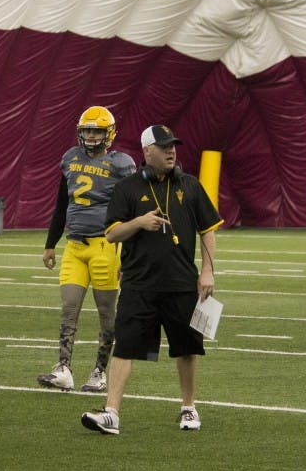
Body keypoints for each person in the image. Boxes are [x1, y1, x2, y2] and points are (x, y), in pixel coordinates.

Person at [81, 125, 222, 435]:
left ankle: (188, 407)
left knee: (187, 347)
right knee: (124, 347)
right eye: (164, 146)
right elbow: (112, 232)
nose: (171, 151)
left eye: (173, 145)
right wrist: (140, 222)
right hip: (137, 283)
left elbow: (208, 229)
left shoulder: (190, 185)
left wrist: (208, 271)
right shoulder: (127, 189)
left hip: (181, 283)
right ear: (147, 152)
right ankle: (111, 413)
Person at [38, 106, 136, 392]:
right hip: (74, 246)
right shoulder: (70, 158)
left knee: (107, 313)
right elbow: (60, 205)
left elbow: (132, 209)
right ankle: (64, 369)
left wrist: (128, 254)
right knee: (69, 309)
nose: (92, 136)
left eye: (97, 131)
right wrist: (50, 244)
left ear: (109, 134)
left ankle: (99, 371)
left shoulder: (121, 164)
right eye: (88, 131)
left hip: (105, 246)